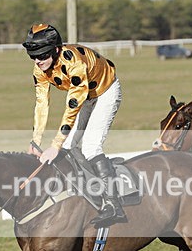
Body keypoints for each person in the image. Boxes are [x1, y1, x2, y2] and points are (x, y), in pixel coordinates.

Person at [22, 23, 125, 226]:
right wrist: (36, 140)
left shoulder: (74, 63)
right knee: (69, 147)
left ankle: (113, 204)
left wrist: (55, 144)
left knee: (90, 146)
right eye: (33, 56)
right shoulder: (39, 69)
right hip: (85, 96)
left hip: (105, 92)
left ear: (57, 50)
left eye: (42, 56)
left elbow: (72, 106)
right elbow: (41, 103)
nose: (37, 61)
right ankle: (88, 193)